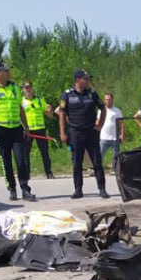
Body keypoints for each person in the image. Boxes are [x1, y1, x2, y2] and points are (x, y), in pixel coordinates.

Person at [0, 61, 36, 201]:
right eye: (5, 71)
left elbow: (20, 108)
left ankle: (25, 189)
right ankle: (12, 188)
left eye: (8, 70)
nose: (8, 73)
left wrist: (26, 127)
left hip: (16, 129)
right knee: (6, 161)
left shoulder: (14, 87)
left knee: (21, 160)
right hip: (0, 129)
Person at [59, 69, 108, 199]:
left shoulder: (92, 94)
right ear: (78, 80)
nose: (87, 81)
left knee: (97, 161)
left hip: (91, 131)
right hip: (75, 132)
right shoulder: (67, 95)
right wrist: (62, 132)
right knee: (77, 162)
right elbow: (62, 114)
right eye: (85, 79)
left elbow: (103, 108)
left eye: (88, 79)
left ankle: (102, 189)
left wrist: (100, 125)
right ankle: (78, 190)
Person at [21, 80, 54, 179]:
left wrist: (50, 111)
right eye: (26, 88)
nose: (28, 90)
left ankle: (49, 173)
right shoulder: (21, 101)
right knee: (25, 153)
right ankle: (26, 174)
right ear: (23, 90)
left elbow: (49, 115)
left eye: (29, 87)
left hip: (40, 129)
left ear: (32, 88)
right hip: (28, 130)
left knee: (45, 152)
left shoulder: (39, 100)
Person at [99, 92, 124, 172]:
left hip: (114, 137)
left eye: (109, 99)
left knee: (116, 155)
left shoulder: (117, 111)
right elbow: (98, 122)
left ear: (112, 100)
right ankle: (98, 169)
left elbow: (121, 124)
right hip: (103, 137)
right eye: (106, 99)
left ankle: (115, 169)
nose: (108, 101)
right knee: (100, 154)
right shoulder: (101, 110)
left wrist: (122, 134)